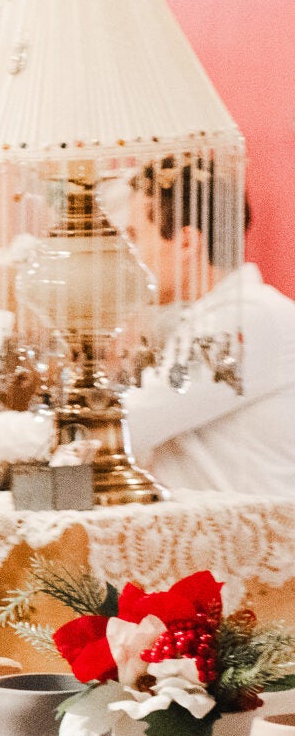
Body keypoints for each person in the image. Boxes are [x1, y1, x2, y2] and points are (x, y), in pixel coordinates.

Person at [120, 156, 294, 494]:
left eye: (135, 236)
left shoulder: (247, 319)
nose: (130, 255)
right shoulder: (220, 317)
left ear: (187, 242)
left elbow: (131, 426)